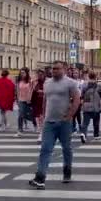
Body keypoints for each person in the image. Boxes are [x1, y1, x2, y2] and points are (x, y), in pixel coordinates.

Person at [29, 61, 81, 189]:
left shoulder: (70, 83)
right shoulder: (47, 83)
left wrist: (70, 115)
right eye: (53, 69)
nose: (54, 71)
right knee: (45, 149)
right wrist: (43, 114)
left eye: (57, 69)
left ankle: (67, 171)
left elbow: (77, 99)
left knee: (66, 149)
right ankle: (40, 177)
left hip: (64, 123)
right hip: (49, 122)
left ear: (63, 69)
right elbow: (45, 101)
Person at [80, 71, 101, 143]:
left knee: (85, 122)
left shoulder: (84, 85)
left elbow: (82, 95)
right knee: (96, 122)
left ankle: (83, 133)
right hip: (96, 107)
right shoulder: (98, 86)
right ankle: (96, 135)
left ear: (89, 76)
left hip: (86, 106)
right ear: (95, 77)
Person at [16, 68, 36, 136]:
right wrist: (17, 100)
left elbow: (32, 90)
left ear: (26, 73)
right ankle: (20, 129)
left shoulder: (30, 81)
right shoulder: (19, 81)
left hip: (28, 100)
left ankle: (35, 124)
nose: (22, 74)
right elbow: (18, 91)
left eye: (23, 73)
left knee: (31, 114)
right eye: (21, 73)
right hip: (21, 100)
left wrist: (29, 99)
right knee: (20, 115)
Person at [31, 69, 46, 143]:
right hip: (37, 104)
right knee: (38, 120)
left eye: (41, 74)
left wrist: (43, 92)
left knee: (43, 120)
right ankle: (41, 133)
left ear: (44, 75)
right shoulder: (35, 83)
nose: (40, 76)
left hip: (44, 104)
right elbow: (33, 93)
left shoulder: (47, 83)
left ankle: (42, 134)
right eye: (38, 74)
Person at [71, 69, 84, 134]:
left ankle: (79, 125)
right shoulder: (71, 81)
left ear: (79, 74)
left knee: (78, 113)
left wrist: (82, 99)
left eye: (76, 73)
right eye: (74, 73)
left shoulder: (81, 82)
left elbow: (82, 90)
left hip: (79, 98)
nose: (75, 74)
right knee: (73, 113)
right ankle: (73, 127)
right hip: (72, 99)